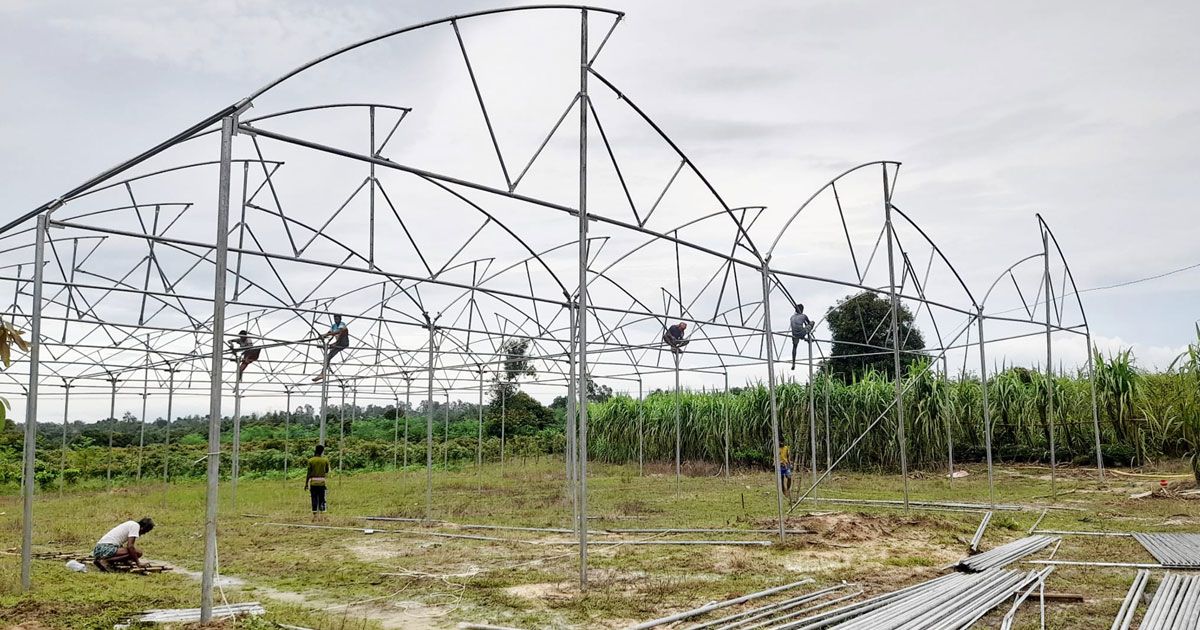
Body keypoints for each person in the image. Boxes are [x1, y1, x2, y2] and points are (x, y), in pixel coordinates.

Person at [312, 314, 350, 382]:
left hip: (343, 342)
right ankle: (322, 374)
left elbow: (339, 331)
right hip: (338, 344)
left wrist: (327, 335)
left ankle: (333, 345)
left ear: (340, 319)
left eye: (337, 319)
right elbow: (330, 333)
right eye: (335, 319)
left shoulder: (342, 324)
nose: (336, 320)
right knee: (328, 357)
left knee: (344, 331)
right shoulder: (333, 326)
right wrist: (323, 336)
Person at [304, 444, 330, 520]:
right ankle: (322, 515)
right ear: (322, 451)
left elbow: (308, 473)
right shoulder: (325, 460)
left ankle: (315, 515)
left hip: (313, 483)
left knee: (314, 498)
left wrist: (306, 483)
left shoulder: (311, 460)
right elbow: (327, 471)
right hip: (322, 483)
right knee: (322, 498)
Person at [790, 304, 814, 370]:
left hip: (794, 334)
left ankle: (793, 363)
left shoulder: (791, 317)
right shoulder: (803, 316)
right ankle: (808, 338)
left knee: (794, 347)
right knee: (812, 323)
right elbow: (809, 323)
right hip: (801, 333)